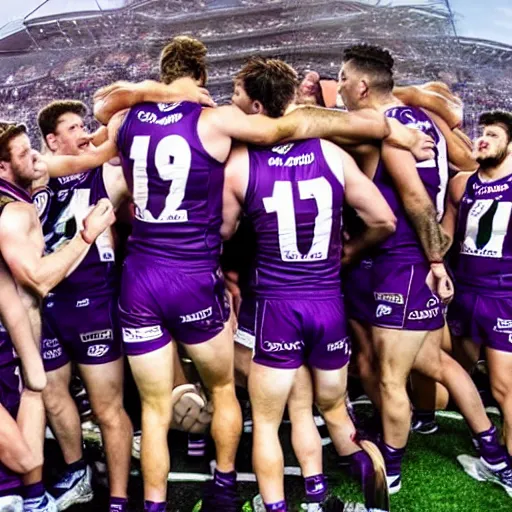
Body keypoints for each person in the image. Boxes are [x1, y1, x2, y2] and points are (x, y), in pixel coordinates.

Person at [88, 34, 417, 512]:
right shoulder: (255, 135)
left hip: (152, 276)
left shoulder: (135, 122)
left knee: (163, 411)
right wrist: (386, 133)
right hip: (282, 290)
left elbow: (106, 109)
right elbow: (378, 213)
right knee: (267, 396)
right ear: (200, 77)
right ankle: (251, 484)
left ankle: (168, 505)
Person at [222, 56, 397, 512]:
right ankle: (331, 493)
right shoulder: (331, 153)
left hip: (276, 306)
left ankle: (276, 506)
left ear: (258, 106)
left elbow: (217, 234)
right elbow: (383, 220)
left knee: (266, 420)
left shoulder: (240, 163)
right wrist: (348, 251)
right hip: (326, 304)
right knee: (325, 409)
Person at [337, 43, 509, 493]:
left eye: (342, 80)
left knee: (396, 376)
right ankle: (494, 453)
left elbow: (414, 198)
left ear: (360, 86)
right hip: (388, 262)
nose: (339, 89)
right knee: (433, 362)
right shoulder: (418, 118)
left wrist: (434, 259)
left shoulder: (389, 124)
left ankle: (390, 470)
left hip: (403, 263)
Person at [0, 120, 115, 512]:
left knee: (34, 398)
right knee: (26, 452)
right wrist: (87, 235)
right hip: (11, 338)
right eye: (24, 153)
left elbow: (92, 157)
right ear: (2, 168)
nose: (35, 157)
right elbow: (37, 281)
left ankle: (31, 498)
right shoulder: (13, 212)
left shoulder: (27, 182)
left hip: (13, 338)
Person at [34, 100, 133, 512]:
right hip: (44, 305)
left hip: (93, 303)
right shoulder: (32, 179)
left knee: (108, 407)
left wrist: (103, 138)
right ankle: (78, 474)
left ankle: (119, 498)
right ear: (52, 140)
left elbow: (124, 133)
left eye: (83, 124)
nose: (82, 132)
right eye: (72, 127)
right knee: (53, 396)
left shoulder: (104, 171)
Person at [443, 111, 512, 496]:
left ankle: (508, 470)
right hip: (464, 291)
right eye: (479, 134)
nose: (481, 140)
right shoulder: (460, 184)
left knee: (505, 388)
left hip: (504, 296)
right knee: (457, 367)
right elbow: (447, 236)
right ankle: (486, 446)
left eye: (492, 134)